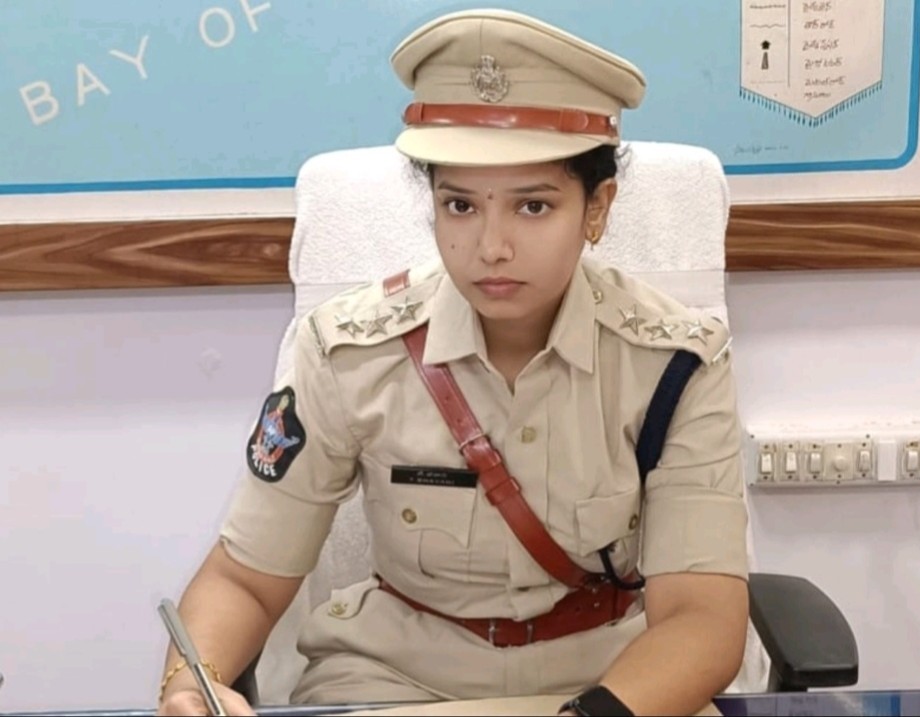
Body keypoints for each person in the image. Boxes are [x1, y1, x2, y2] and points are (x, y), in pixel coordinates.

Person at [157, 8, 749, 716]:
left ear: (597, 209)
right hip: (394, 683)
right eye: (460, 205)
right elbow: (244, 580)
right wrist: (189, 683)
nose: (491, 247)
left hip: (611, 684)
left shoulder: (675, 363)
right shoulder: (346, 352)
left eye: (533, 207)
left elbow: (701, 619)